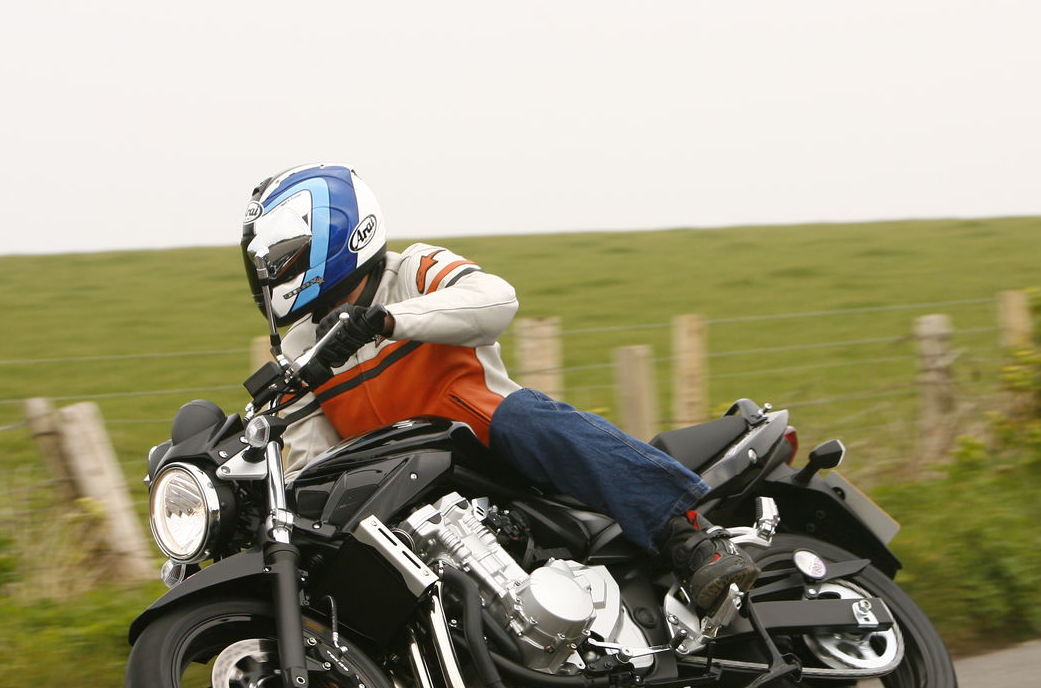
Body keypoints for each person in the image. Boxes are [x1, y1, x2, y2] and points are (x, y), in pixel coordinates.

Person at [240, 162, 757, 611]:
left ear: (339, 230)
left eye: (283, 252)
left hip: (484, 448)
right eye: (265, 260)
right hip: (402, 493)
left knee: (524, 414)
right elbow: (312, 464)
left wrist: (386, 320)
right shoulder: (298, 351)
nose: (272, 269)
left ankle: (690, 536)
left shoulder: (415, 269)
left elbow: (496, 300)